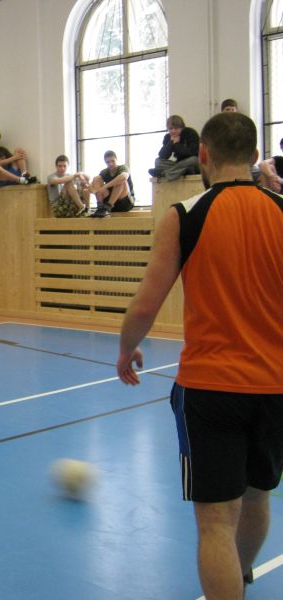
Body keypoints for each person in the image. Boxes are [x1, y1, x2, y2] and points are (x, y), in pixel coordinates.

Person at [116, 112, 283, 600]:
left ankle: (228, 579)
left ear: (204, 155)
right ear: (255, 156)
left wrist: (126, 349)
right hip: (276, 386)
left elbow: (145, 303)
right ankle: (239, 575)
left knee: (215, 523)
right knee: (257, 497)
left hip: (210, 389)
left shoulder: (185, 215)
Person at [148, 115, 200, 181]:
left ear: (182, 127)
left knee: (194, 159)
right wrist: (170, 143)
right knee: (158, 162)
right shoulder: (167, 137)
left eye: (176, 128)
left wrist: (176, 144)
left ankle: (164, 173)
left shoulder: (190, 133)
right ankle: (185, 171)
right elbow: (162, 156)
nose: (173, 131)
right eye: (170, 129)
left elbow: (192, 153)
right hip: (179, 164)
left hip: (191, 162)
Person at [89, 150, 135, 218]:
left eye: (113, 161)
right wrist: (92, 189)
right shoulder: (104, 172)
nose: (110, 164)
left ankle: (108, 207)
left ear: (116, 160)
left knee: (121, 181)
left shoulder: (123, 168)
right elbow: (96, 183)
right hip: (110, 203)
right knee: (96, 178)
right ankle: (100, 208)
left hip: (124, 202)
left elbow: (124, 177)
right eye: (108, 162)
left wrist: (106, 186)